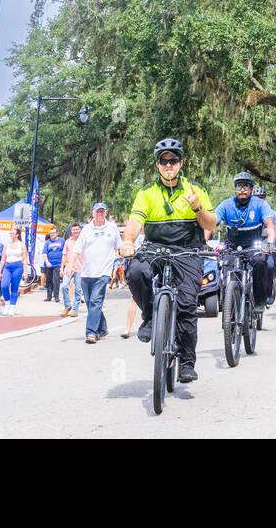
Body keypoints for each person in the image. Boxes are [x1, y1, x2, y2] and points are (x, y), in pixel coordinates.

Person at [120, 138, 216, 384]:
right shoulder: (146, 193)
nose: (168, 165)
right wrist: (128, 241)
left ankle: (186, 363)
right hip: (156, 248)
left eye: (173, 160)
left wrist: (197, 209)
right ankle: (151, 316)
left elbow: (210, 225)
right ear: (157, 165)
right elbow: (135, 222)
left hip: (188, 251)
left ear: (181, 163)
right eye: (164, 161)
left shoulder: (195, 191)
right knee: (135, 271)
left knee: (186, 305)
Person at [213, 172, 276, 310]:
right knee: (226, 272)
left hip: (253, 247)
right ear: (235, 189)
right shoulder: (226, 205)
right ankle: (229, 309)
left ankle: (260, 301)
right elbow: (213, 222)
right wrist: (203, 240)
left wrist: (271, 242)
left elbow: (270, 224)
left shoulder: (260, 204)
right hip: (232, 247)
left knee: (261, 263)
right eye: (239, 186)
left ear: (251, 189)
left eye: (245, 186)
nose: (242, 190)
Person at [67, 203, 120, 342]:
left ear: (106, 213)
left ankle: (91, 332)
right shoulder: (86, 230)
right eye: (97, 212)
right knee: (91, 303)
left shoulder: (112, 227)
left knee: (96, 301)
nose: (99, 214)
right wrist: (69, 265)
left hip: (103, 272)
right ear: (93, 213)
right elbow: (77, 249)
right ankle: (102, 328)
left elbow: (119, 246)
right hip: (86, 273)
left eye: (102, 212)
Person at [0, 225, 29, 317]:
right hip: (7, 267)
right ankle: (7, 303)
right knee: (4, 286)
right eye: (10, 233)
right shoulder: (7, 245)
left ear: (17, 235)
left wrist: (25, 272)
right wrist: (0, 271)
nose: (10, 234)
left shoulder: (21, 245)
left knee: (14, 288)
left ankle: (12, 307)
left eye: (12, 233)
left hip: (18, 267)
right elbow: (3, 259)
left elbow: (25, 259)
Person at [59, 223, 83, 317]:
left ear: (80, 230)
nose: (75, 231)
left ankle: (75, 309)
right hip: (69, 267)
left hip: (80, 268)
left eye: (77, 229)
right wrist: (62, 267)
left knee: (78, 289)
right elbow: (64, 255)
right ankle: (67, 305)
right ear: (71, 231)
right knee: (64, 286)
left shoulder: (83, 241)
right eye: (74, 230)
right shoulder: (68, 242)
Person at [42, 223, 65, 302]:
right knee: (48, 280)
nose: (52, 235)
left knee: (56, 280)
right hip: (48, 265)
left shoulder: (62, 241)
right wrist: (47, 262)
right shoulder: (47, 242)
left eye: (53, 233)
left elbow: (64, 252)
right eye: (51, 233)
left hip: (58, 264)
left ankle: (56, 297)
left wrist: (63, 264)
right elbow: (44, 253)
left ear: (57, 233)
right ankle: (49, 296)